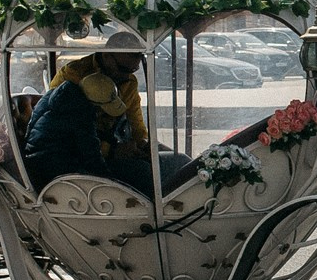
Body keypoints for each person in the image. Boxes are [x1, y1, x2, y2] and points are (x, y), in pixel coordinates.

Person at [21, 50, 193, 196]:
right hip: (62, 169)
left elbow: (135, 123)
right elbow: (86, 153)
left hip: (82, 155)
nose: (128, 75)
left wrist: (142, 146)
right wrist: (111, 170)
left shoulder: (76, 97)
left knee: (178, 161)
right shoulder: (77, 103)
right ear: (108, 56)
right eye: (124, 69)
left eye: (133, 70)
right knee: (143, 173)